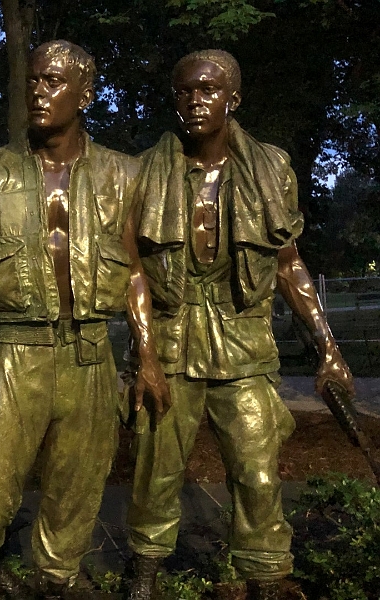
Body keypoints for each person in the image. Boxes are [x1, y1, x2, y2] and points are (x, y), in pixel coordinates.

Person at [0, 40, 170, 600]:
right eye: (32, 81)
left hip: (89, 355)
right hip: (11, 354)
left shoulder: (123, 174)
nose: (38, 92)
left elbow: (133, 272)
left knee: (77, 493)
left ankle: (58, 582)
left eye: (52, 81)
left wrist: (147, 356)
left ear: (84, 94)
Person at [125, 49, 355, 600]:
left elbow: (288, 264)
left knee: (258, 470)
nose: (195, 101)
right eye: (184, 91)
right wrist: (145, 356)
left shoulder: (271, 169)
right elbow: (131, 269)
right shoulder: (142, 172)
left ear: (234, 98)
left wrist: (328, 348)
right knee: (157, 467)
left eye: (208, 90)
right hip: (172, 339)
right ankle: (145, 570)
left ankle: (266, 573)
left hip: (244, 340)